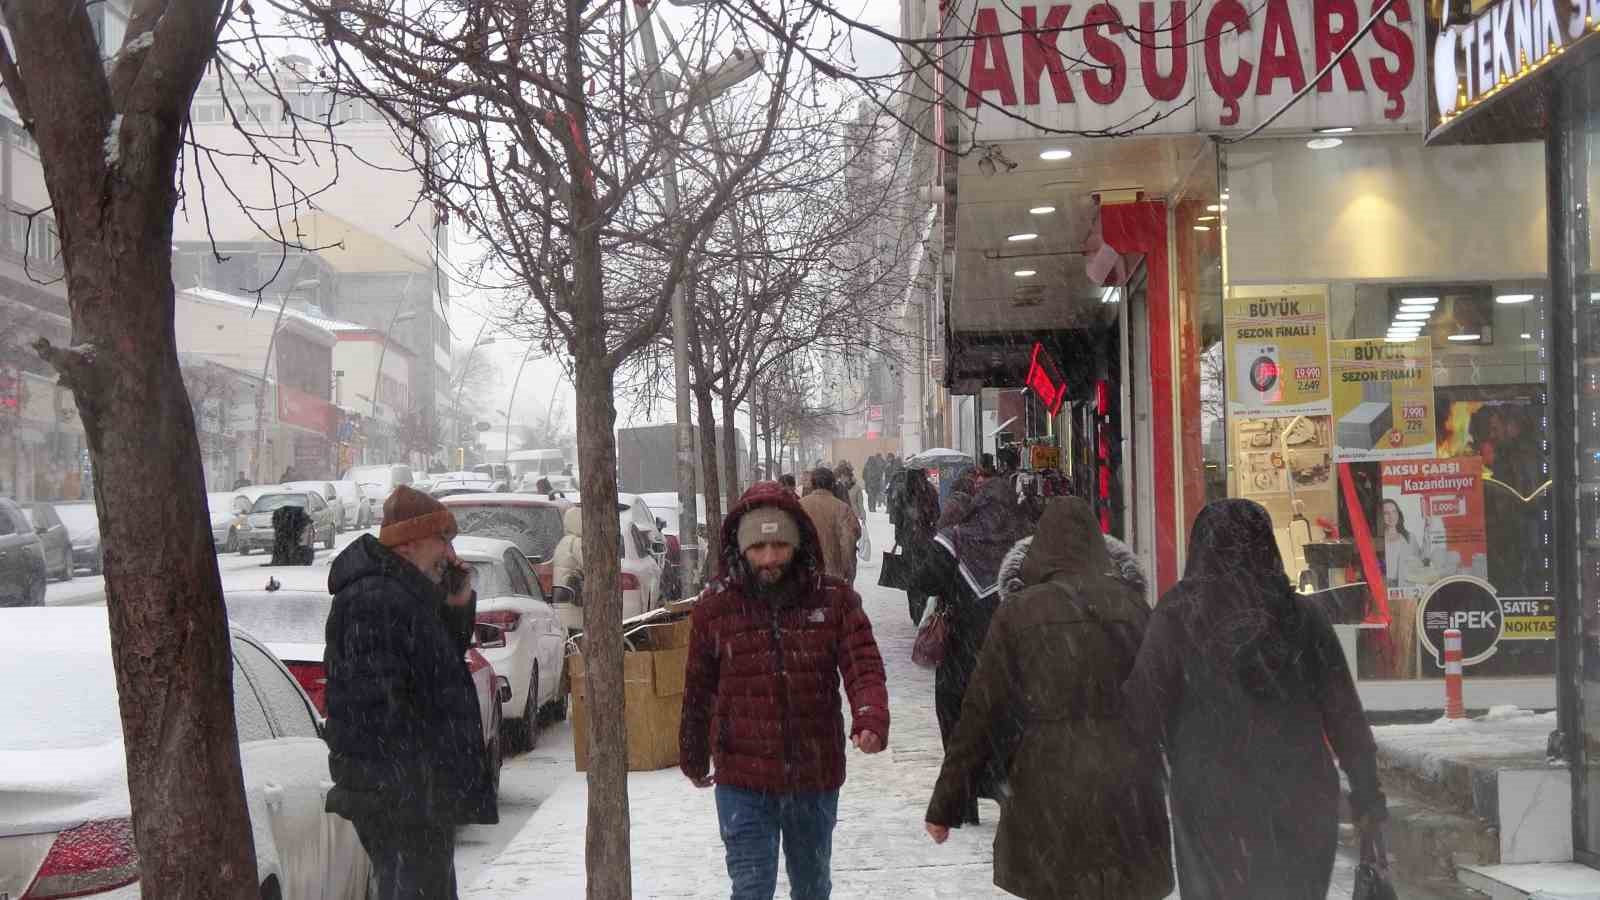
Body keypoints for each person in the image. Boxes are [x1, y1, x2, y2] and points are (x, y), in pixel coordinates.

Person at [1123, 498, 1386, 900]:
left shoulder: (1177, 615)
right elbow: (1345, 715)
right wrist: (1367, 796)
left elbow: (1142, 711)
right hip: (1300, 794)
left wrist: (1141, 790)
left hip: (1211, 798)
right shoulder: (1302, 617)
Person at [926, 498, 1173, 900]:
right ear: (1098, 544)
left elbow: (979, 711)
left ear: (1039, 548)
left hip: (1047, 779)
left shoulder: (1018, 612)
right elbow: (1162, 696)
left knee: (1055, 883)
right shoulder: (1133, 606)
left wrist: (946, 805)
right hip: (1127, 779)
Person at [680, 481, 889, 900]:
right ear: (741, 549)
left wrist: (869, 716)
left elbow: (863, 665)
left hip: (813, 774)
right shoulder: (715, 608)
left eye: (780, 545)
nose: (770, 558)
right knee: (751, 888)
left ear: (798, 544)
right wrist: (692, 750)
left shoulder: (834, 601)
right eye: (758, 547)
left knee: (812, 887)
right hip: (742, 777)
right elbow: (698, 687)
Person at [323, 485, 495, 899]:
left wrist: (456, 603)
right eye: (443, 540)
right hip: (401, 799)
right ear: (409, 542)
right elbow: (379, 707)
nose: (450, 553)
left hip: (415, 795)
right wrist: (416, 783)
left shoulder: (403, 594)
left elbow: (434, 668)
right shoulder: (375, 599)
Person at [907, 476, 1034, 825]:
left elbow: (922, 581)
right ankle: (1006, 790)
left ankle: (964, 801)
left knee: (958, 721)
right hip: (1011, 653)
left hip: (961, 652)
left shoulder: (955, 539)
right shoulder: (1027, 542)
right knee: (1008, 723)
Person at [1380, 497, 1431, 678]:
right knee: (1388, 639)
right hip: (1385, 592)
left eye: (1393, 512)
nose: (1390, 516)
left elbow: (1423, 559)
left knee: (1406, 639)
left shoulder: (1409, 537)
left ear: (1398, 514)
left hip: (1406, 593)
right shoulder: (1379, 540)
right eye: (1386, 513)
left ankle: (1405, 678)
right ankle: (1389, 678)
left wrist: (1428, 530)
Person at [889, 467, 941, 624]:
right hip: (926, 539)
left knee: (911, 577)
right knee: (925, 574)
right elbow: (937, 514)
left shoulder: (902, 491)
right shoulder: (930, 490)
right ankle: (923, 607)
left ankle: (915, 611)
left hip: (909, 541)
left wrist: (899, 536)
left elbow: (896, 517)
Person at [800, 467, 861, 583]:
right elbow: (848, 541)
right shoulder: (842, 508)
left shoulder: (799, 506)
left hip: (806, 575)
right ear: (832, 484)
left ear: (813, 483)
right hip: (834, 577)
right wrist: (847, 570)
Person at [551, 506, 584, 600]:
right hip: (573, 590)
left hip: (561, 589)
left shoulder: (564, 541)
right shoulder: (577, 542)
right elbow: (588, 566)